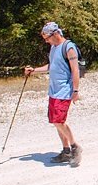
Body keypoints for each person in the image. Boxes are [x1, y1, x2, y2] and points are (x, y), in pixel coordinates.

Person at [24, 21, 82, 165]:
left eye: (47, 37)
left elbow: (75, 70)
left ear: (56, 34)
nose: (46, 41)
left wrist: (75, 90)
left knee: (58, 121)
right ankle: (66, 150)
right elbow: (52, 65)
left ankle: (75, 147)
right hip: (54, 90)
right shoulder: (53, 47)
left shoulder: (69, 47)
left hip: (64, 90)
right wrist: (34, 70)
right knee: (56, 122)